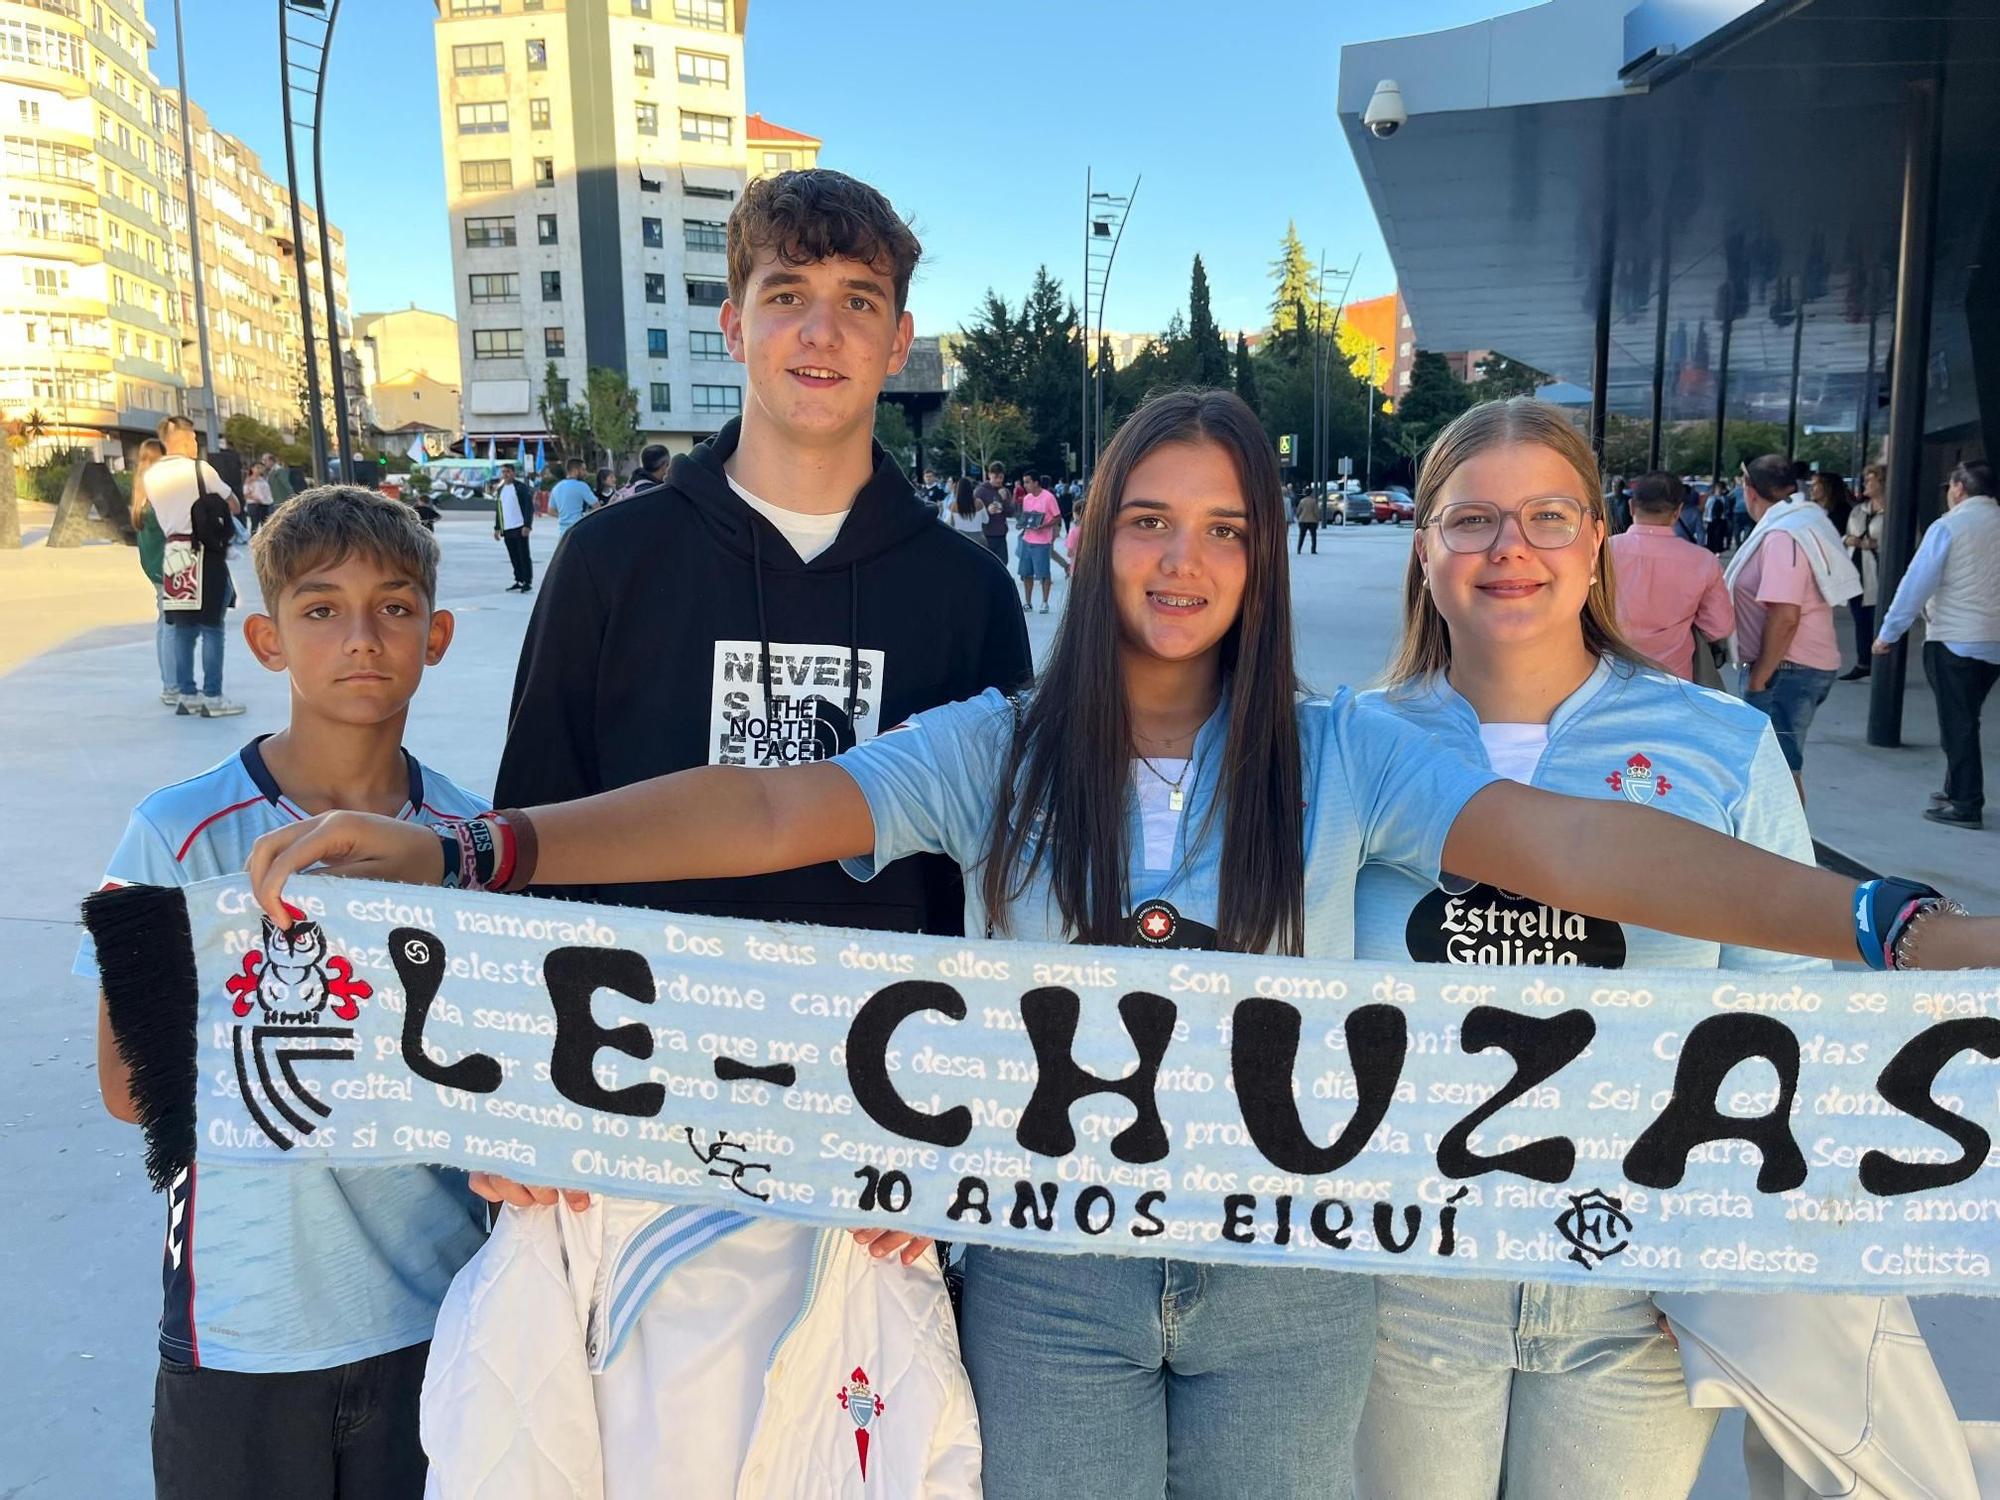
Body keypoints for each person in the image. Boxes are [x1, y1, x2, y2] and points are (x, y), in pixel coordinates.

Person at [248, 390, 2000, 1500]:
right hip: (1056, 1290)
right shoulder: (1002, 744)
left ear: (1266, 549)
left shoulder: (1342, 748)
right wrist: (479, 845)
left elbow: (1590, 846)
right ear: (1090, 537)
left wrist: (1885, 921)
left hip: (1292, 1289)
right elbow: (770, 812)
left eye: (1225, 526)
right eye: (1147, 520)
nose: (1184, 560)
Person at [414, 168, 1029, 1490]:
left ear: (899, 338)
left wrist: (947, 1144)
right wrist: (503, 1093)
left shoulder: (966, 593)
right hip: (634, 1119)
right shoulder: (613, 562)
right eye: (787, 297)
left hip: (864, 1141)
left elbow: (986, 902)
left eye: (857, 302)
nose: (821, 333)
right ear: (732, 322)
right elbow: (532, 838)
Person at [1351, 399, 1813, 1500]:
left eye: (1547, 517)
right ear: (1422, 548)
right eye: (1469, 522)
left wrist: (1732, 1246)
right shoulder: (1345, 740)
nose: (1508, 550)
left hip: (1637, 1287)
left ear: (1595, 538)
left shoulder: (1722, 744)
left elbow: (1789, 1010)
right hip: (1403, 1286)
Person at [83, 485, 491, 1499]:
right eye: (320, 609)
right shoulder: (174, 836)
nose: (362, 636)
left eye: (395, 607)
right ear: (266, 639)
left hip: (436, 1317)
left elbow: (505, 1090)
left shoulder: (472, 842)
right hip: (244, 1332)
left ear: (434, 635)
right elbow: (132, 1088)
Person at [1871, 458, 2000, 829]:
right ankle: (1956, 787)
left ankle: (1966, 801)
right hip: (1993, 640)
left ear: (1958, 488)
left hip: (1954, 638)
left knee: (1957, 722)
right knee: (1966, 717)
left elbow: (1916, 583)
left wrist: (1889, 633)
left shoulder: (1949, 526)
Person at [1723, 453, 1859, 792]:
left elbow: (1785, 615)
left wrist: (1759, 679)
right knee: (1778, 768)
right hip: (1792, 668)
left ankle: (1785, 847)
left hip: (1786, 670)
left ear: (1749, 490)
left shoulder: (1784, 536)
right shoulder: (1802, 521)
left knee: (1778, 774)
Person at [152, 415, 246, 717]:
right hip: (204, 551)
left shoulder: (151, 475)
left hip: (173, 554)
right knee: (212, 627)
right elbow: (233, 503)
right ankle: (213, 696)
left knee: (182, 628)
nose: (195, 444)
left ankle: (187, 694)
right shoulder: (199, 469)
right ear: (182, 439)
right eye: (193, 438)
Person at [1607, 470, 1734, 681]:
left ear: (1631, 507)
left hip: (1608, 672)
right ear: (1678, 512)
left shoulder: (1602, 552)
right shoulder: (1703, 560)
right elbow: (1720, 627)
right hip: (1674, 678)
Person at [1840, 462, 1887, 680]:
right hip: (1857, 571)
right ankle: (1863, 662)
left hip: (1880, 573)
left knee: (1880, 619)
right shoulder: (1859, 510)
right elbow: (1847, 535)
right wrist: (1850, 539)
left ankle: (1883, 665)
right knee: (1861, 619)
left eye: (1870, 479)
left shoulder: (1894, 512)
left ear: (1882, 482)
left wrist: (1877, 544)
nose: (1865, 483)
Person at [1016, 471, 1062, 612]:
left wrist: (1044, 525)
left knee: (1043, 573)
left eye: (1028, 482)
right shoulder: (1027, 499)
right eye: (1024, 482)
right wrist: (1022, 524)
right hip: (1027, 539)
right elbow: (1026, 516)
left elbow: (1057, 516)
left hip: (1042, 541)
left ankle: (1044, 602)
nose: (1025, 485)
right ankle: (1028, 602)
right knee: (1026, 573)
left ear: (1036, 482)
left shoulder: (1048, 498)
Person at [492, 461, 534, 592]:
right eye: (503, 472)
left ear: (513, 473)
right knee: (513, 555)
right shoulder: (501, 490)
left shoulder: (521, 488)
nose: (505, 474)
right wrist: (497, 527)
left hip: (519, 526)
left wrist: (527, 525)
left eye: (508, 472)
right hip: (507, 528)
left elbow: (528, 507)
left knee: (523, 555)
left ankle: (527, 581)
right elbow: (499, 509)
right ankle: (518, 579)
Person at [547, 457, 595, 536]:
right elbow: (596, 506)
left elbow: (550, 511)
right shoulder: (582, 486)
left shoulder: (557, 487)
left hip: (563, 533)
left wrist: (564, 516)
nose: (585, 473)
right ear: (576, 471)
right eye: (583, 469)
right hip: (578, 530)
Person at [975, 460, 1010, 562]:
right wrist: (987, 511)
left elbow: (1011, 512)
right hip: (985, 535)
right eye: (996, 477)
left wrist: (1005, 500)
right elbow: (974, 514)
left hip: (1001, 535)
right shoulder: (980, 491)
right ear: (989, 475)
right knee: (987, 564)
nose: (998, 481)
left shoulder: (1005, 491)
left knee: (1003, 563)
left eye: (1001, 478)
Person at [946, 474, 987, 538]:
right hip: (978, 537)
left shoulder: (954, 505)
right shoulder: (979, 503)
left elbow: (950, 524)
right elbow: (986, 520)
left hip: (961, 538)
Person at [242, 457, 275, 535]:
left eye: (261, 468)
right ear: (252, 469)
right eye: (257, 468)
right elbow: (245, 493)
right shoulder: (249, 480)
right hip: (254, 504)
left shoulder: (263, 479)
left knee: (265, 525)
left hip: (266, 504)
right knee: (255, 525)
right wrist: (255, 498)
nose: (260, 469)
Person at [1295, 483, 1321, 553]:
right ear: (1311, 493)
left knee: (1302, 536)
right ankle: (1313, 550)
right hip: (1312, 521)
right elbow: (1316, 512)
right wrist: (1318, 519)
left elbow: (1298, 511)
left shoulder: (1302, 501)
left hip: (1303, 520)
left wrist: (1298, 517)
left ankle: (1299, 549)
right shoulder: (1313, 501)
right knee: (1313, 536)